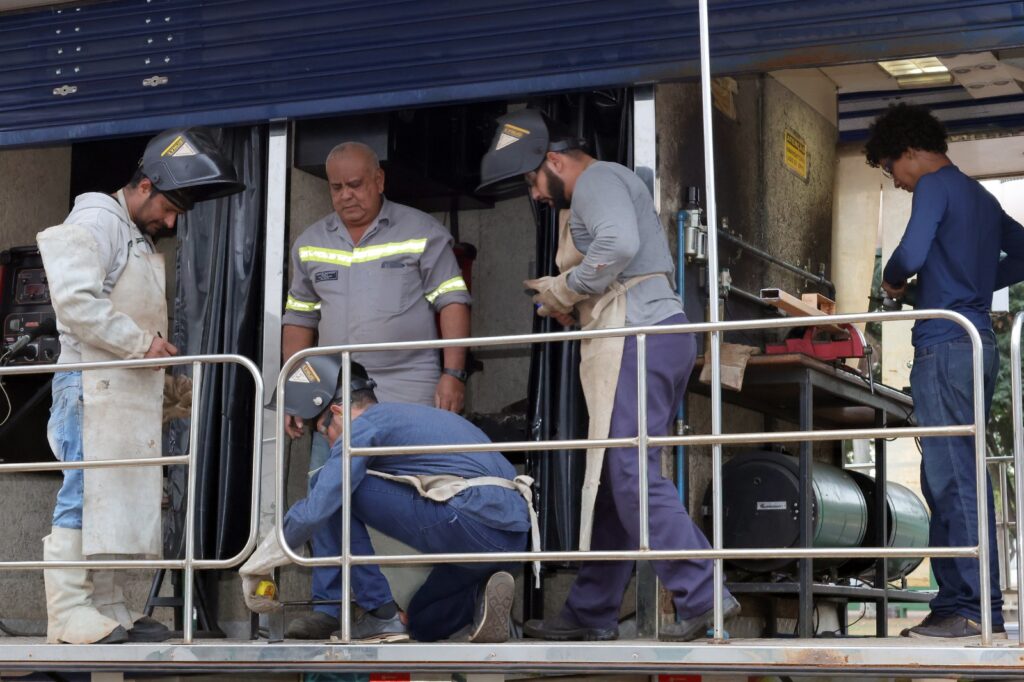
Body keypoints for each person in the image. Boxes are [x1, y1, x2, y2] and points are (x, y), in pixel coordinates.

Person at [477, 109, 739, 641]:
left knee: (629, 473)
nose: (535, 195)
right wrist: (569, 294)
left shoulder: (596, 178)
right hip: (652, 333)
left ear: (553, 161)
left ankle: (704, 594)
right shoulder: (612, 181)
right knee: (615, 478)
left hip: (638, 336)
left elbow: (615, 247)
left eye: (532, 180)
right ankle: (591, 612)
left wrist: (565, 288)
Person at [36, 128, 245, 644]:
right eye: (170, 208)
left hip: (118, 389)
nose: (172, 222)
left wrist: (152, 368)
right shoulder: (95, 220)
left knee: (111, 499)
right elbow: (76, 302)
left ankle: (107, 607)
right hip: (88, 385)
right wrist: (141, 345)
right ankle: (67, 611)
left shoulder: (128, 232)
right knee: (84, 496)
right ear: (146, 184)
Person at [281, 141, 472, 638]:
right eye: (337, 187)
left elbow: (452, 301)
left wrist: (454, 374)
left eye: (356, 184)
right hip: (336, 398)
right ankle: (330, 605)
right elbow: (298, 320)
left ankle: (410, 605)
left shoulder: (422, 231)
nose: (346, 196)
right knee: (328, 487)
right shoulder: (309, 242)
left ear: (380, 180)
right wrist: (296, 393)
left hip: (411, 389)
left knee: (416, 494)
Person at [866, 103, 1024, 640]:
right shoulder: (980, 196)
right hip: (977, 338)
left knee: (951, 479)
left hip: (945, 343)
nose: (900, 183)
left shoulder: (934, 184)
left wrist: (892, 282)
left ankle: (973, 609)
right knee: (961, 476)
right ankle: (966, 603)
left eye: (892, 170)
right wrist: (976, 285)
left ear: (909, 151)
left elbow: (909, 254)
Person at [239, 357, 534, 643]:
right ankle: (482, 600)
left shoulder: (366, 425)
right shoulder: (424, 417)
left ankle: (378, 611)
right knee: (422, 621)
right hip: (513, 539)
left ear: (338, 412)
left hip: (468, 521)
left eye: (323, 430)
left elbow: (318, 508)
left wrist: (260, 562)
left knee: (329, 487)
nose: (329, 442)